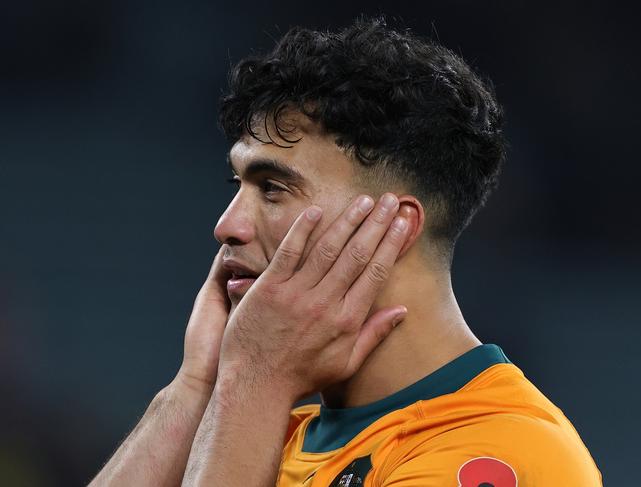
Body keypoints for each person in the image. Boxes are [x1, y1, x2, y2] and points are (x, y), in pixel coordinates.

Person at [89, 17, 603, 487]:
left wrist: (256, 379)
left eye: (271, 188)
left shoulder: (499, 450)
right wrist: (196, 385)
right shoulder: (258, 431)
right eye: (236, 184)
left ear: (394, 226)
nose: (227, 226)